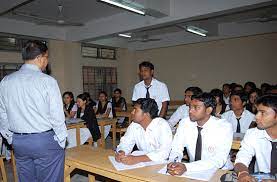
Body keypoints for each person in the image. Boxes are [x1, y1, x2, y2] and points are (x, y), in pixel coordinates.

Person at [0, 40, 67, 181]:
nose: (47, 62)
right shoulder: (47, 81)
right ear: (39, 58)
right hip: (44, 141)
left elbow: (2, 114)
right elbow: (57, 115)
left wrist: (10, 137)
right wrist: (61, 139)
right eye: (47, 58)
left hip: (19, 142)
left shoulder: (6, 81)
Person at [167, 93, 233, 175]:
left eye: (196, 107)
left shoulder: (223, 127)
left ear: (209, 110)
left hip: (219, 171)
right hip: (191, 170)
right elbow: (176, 148)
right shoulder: (185, 123)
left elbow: (219, 160)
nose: (190, 111)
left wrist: (187, 167)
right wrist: (174, 162)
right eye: (190, 107)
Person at [115, 98, 172, 165]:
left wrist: (137, 159)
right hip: (143, 163)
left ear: (146, 114)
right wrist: (121, 152)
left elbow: (164, 152)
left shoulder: (162, 125)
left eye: (135, 110)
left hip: (161, 163)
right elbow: (126, 142)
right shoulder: (134, 125)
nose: (132, 112)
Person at [234, 95, 277, 181]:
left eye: (262, 113)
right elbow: (242, 159)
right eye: (257, 112)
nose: (256, 117)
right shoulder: (253, 133)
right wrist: (243, 174)